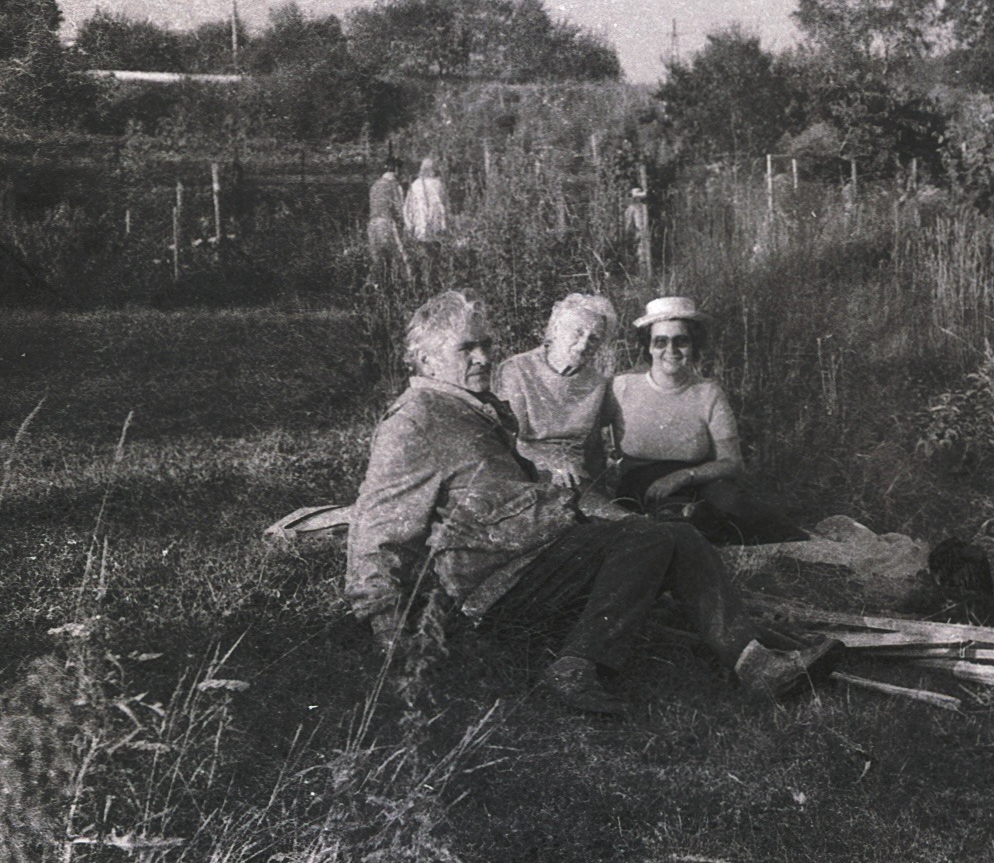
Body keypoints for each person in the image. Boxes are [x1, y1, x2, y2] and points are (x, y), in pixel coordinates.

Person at [345, 289, 839, 716]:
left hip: (535, 555)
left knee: (676, 535)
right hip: (494, 588)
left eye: (485, 345)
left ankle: (752, 660)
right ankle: (579, 664)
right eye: (466, 348)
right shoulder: (415, 420)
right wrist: (389, 633)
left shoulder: (469, 408)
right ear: (427, 360)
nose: (482, 358)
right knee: (651, 539)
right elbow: (376, 527)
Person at [607, 296, 799, 543]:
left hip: (698, 480)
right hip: (643, 485)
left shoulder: (708, 392)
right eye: (661, 341)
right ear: (648, 347)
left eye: (681, 341)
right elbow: (585, 437)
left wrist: (684, 476)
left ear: (694, 345)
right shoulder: (622, 387)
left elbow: (732, 462)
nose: (671, 351)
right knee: (673, 523)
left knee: (743, 510)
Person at [494, 293, 618, 490]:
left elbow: (593, 449)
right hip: (527, 468)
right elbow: (510, 438)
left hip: (576, 476)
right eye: (578, 332)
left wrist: (601, 488)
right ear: (556, 329)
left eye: (594, 338)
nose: (584, 344)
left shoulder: (597, 382)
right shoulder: (517, 369)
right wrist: (552, 463)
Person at [402, 156, 449, 243]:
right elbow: (443, 205)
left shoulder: (415, 184)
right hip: (435, 226)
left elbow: (407, 206)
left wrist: (409, 224)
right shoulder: (437, 184)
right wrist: (444, 224)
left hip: (419, 226)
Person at [367, 168, 403, 259]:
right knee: (395, 255)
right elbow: (399, 207)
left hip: (373, 223)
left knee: (378, 257)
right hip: (386, 222)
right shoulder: (394, 185)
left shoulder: (374, 185)